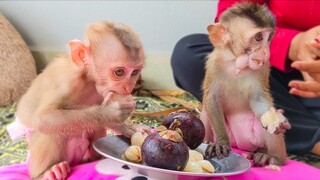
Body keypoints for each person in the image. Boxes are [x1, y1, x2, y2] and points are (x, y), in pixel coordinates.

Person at [171, 0, 320, 156]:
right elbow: (231, 20)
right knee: (190, 55)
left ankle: (305, 134)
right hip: (271, 66)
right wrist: (293, 44)